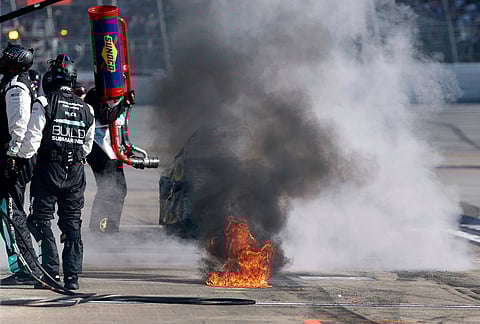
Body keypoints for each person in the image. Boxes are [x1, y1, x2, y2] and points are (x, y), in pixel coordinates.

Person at [18, 54, 95, 290]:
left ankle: (50, 273)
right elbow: (87, 147)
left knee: (39, 221)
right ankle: (72, 278)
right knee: (71, 226)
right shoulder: (87, 109)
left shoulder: (44, 103)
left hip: (48, 171)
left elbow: (32, 140)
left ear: (51, 78)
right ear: (72, 80)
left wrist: (20, 161)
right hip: (75, 173)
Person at [0, 43, 42, 285]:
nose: (2, 61)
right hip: (11, 157)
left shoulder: (17, 87)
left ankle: (27, 268)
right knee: (7, 211)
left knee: (12, 211)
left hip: (13, 159)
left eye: (6, 59)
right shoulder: (12, 83)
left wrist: (11, 157)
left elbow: (19, 125)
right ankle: (24, 264)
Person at [83, 87, 127, 234]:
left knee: (119, 189)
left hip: (113, 150)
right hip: (99, 149)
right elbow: (105, 117)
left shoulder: (117, 96)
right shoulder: (96, 94)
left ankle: (110, 228)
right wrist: (123, 103)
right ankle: (100, 228)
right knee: (108, 189)